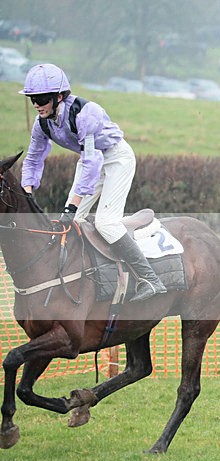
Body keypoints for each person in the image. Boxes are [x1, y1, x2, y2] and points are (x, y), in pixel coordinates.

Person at [19, 63, 166, 302]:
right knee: (73, 223)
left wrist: (72, 205)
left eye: (42, 98)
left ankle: (149, 278)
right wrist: (27, 191)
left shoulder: (86, 113)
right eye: (32, 99)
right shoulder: (41, 122)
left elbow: (92, 161)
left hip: (116, 158)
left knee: (106, 222)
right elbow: (34, 158)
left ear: (58, 97)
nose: (37, 104)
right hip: (90, 161)